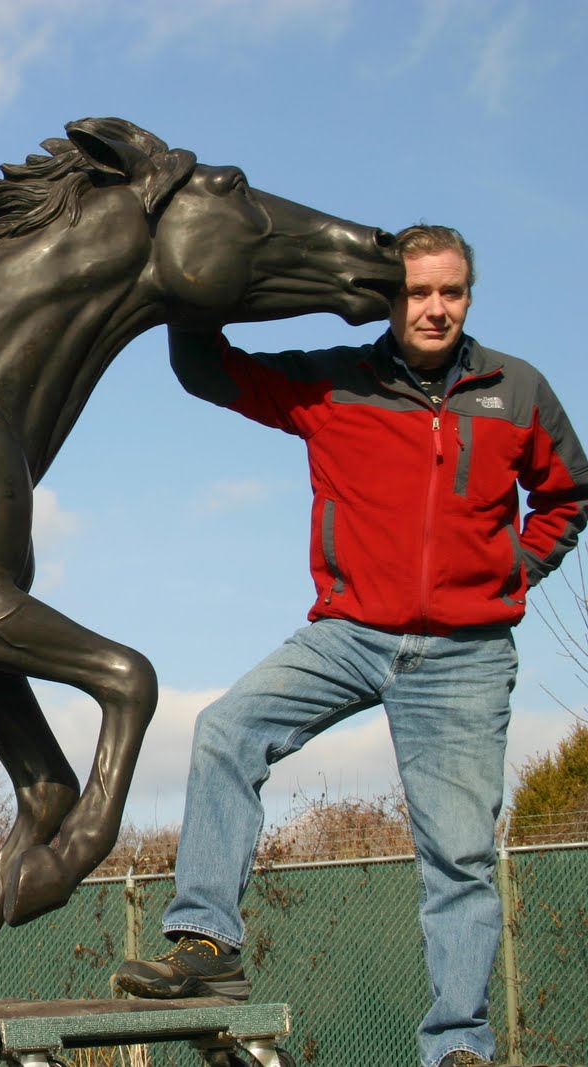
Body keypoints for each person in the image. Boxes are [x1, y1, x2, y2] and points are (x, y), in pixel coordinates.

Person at [111, 225, 588, 1067]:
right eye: (416, 292)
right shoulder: (333, 381)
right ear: (388, 299)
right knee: (225, 729)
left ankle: (458, 1044)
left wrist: (512, 569)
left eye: (450, 291)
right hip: (351, 632)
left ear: (468, 296)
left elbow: (567, 495)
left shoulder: (516, 390)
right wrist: (192, 289)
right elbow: (210, 371)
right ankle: (208, 943)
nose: (434, 308)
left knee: (461, 856)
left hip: (466, 654)